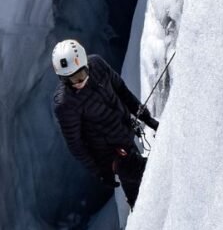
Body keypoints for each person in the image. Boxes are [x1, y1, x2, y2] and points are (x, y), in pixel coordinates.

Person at [51, 39, 159, 208]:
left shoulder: (98, 65)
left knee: (138, 188)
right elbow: (76, 145)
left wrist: (147, 118)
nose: (78, 82)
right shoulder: (65, 104)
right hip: (110, 154)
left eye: (80, 75)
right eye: (71, 79)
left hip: (125, 133)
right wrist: (101, 172)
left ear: (86, 63)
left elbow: (121, 90)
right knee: (146, 175)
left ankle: (138, 210)